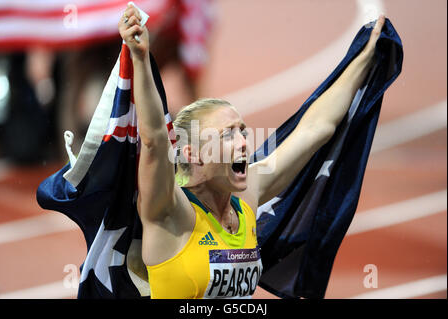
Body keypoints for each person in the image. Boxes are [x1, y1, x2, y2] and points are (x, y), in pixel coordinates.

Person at [119, 4, 385, 299]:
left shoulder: (246, 199)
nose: (244, 141)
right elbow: (155, 140)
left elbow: (316, 129)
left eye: (242, 131)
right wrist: (141, 59)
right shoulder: (170, 211)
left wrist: (366, 58)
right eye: (228, 135)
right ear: (193, 154)